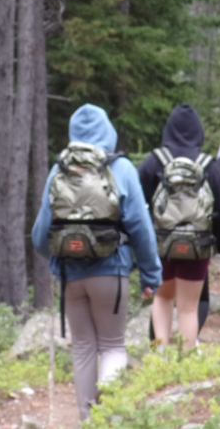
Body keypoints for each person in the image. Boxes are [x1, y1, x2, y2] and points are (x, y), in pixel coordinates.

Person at [31, 104, 162, 422]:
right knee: (114, 347)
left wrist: (60, 260)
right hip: (111, 273)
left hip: (71, 276)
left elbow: (39, 236)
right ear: (109, 132)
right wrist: (150, 275)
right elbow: (141, 228)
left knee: (83, 348)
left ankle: (87, 421)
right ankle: (109, 419)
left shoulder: (58, 170)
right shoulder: (123, 169)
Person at [139, 104, 220, 349]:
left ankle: (159, 359)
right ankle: (185, 363)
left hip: (161, 245)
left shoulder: (153, 163)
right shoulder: (209, 166)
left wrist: (142, 248)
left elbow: (139, 208)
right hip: (197, 246)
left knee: (162, 298)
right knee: (189, 308)